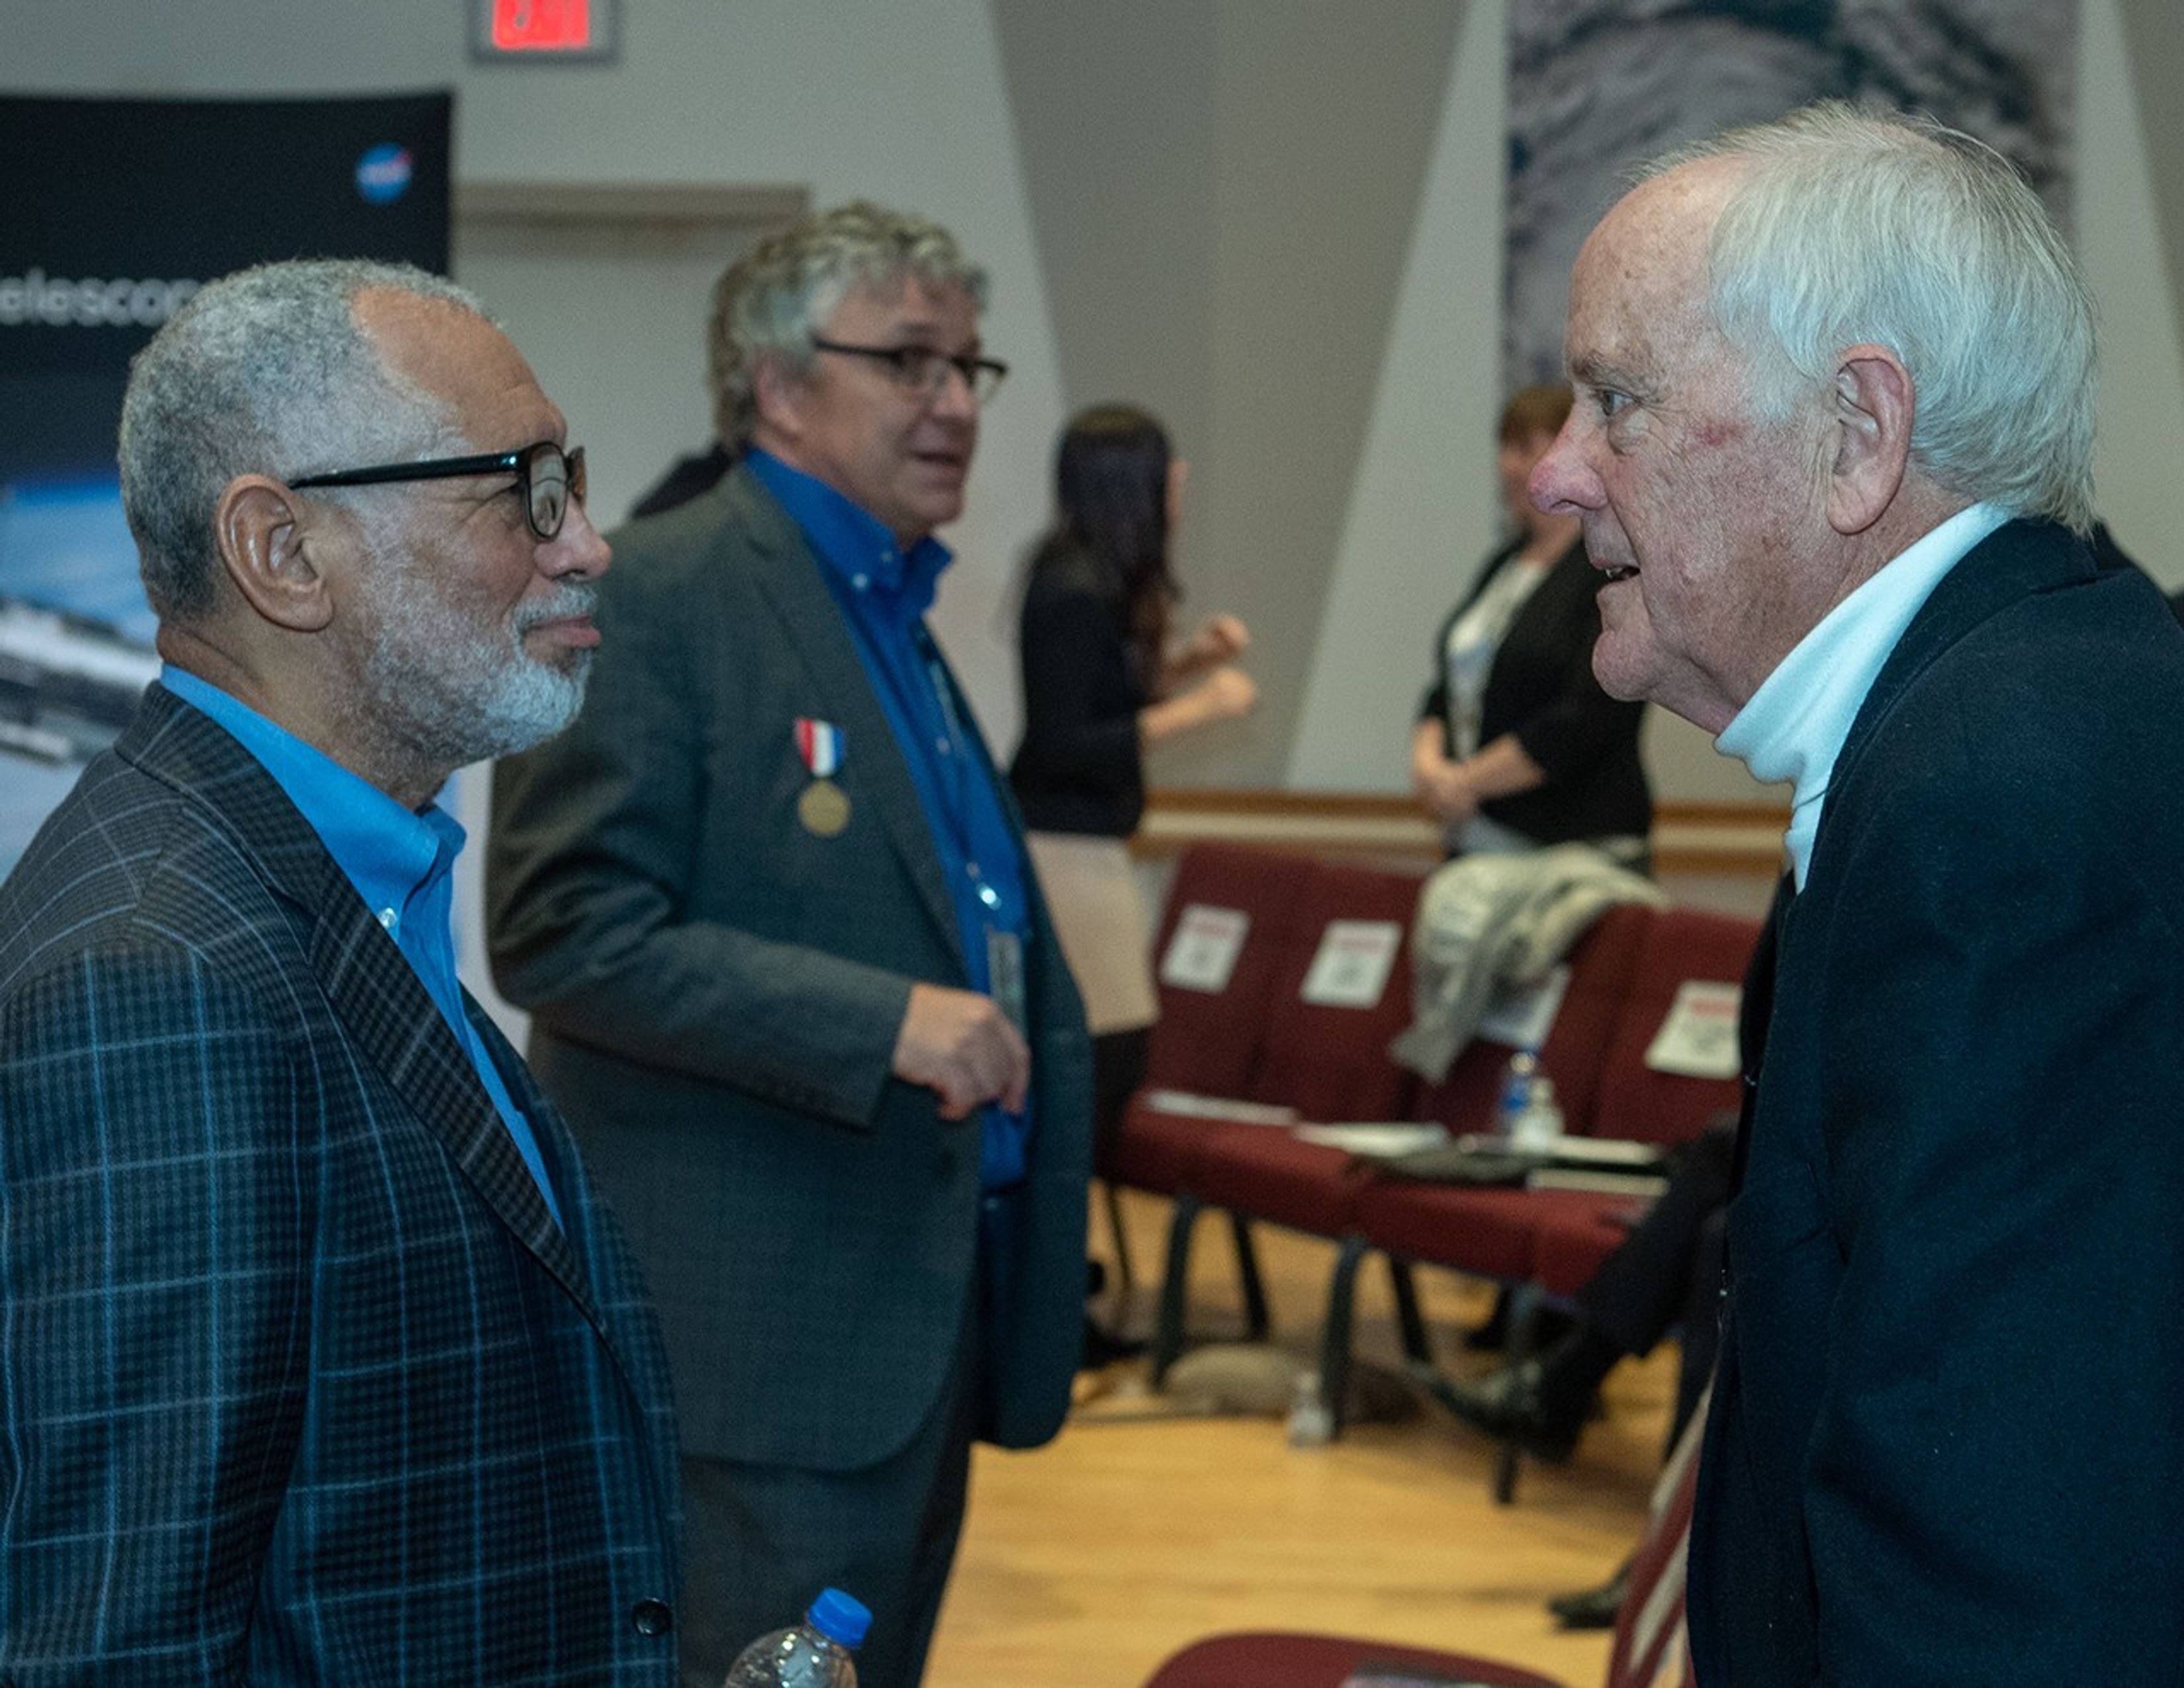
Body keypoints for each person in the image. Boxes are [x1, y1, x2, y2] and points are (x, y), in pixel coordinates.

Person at [1528, 101, 2184, 1683]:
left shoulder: (2001, 798)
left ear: (1857, 433)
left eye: (1617, 401)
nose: (1556, 473)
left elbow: (2003, 1546)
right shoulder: (2009, 707)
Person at [0, 258, 680, 1680]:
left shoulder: (351, 882)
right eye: (523, 489)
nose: (586, 544)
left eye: (569, 482)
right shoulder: (165, 975)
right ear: (284, 554)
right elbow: (115, 1640)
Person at [486, 201, 1093, 1688]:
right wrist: (884, 1021)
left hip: (915, 1321)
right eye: (909, 361)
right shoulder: (654, 592)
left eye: (968, 367)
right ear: (777, 384)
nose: (955, 403)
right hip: (759, 1367)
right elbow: (560, 925)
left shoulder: (895, 610)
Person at [1007, 403, 1255, 1355]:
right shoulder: (1068, 586)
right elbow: (1066, 740)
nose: (1180, 480)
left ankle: (1057, 1281)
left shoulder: (1089, 581)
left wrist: (1186, 665)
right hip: (1060, 849)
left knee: (1102, 1067)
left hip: (1083, 845)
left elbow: (1101, 698)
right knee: (1095, 1069)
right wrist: (1197, 711)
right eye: (1165, 467)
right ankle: (1049, 1293)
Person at [1411, 383, 1651, 866]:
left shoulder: (1608, 569)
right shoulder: (1503, 564)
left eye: (1524, 448)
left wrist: (1466, 781)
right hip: (1479, 841)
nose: (1508, 466)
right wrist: (1431, 768)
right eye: (1504, 448)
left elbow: (1588, 714)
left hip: (1573, 846)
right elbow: (1448, 689)